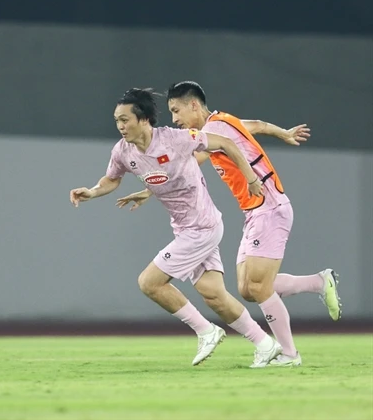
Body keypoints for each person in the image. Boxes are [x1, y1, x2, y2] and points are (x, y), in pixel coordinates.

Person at [118, 81, 341, 367]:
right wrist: (283, 133)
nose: (175, 119)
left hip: (269, 207)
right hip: (255, 212)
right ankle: (318, 282)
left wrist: (253, 175)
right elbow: (256, 125)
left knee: (258, 288)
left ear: (194, 105)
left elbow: (190, 156)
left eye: (176, 111)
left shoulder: (214, 129)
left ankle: (288, 354)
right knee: (248, 289)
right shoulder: (222, 122)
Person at [70, 88, 282, 368]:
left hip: (203, 227)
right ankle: (266, 345)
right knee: (214, 296)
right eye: (117, 121)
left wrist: (250, 177)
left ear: (143, 118)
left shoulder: (177, 139)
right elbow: (112, 179)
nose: (120, 126)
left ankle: (206, 331)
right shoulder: (122, 151)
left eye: (125, 120)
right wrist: (93, 191)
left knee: (149, 282)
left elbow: (227, 143)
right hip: (185, 229)